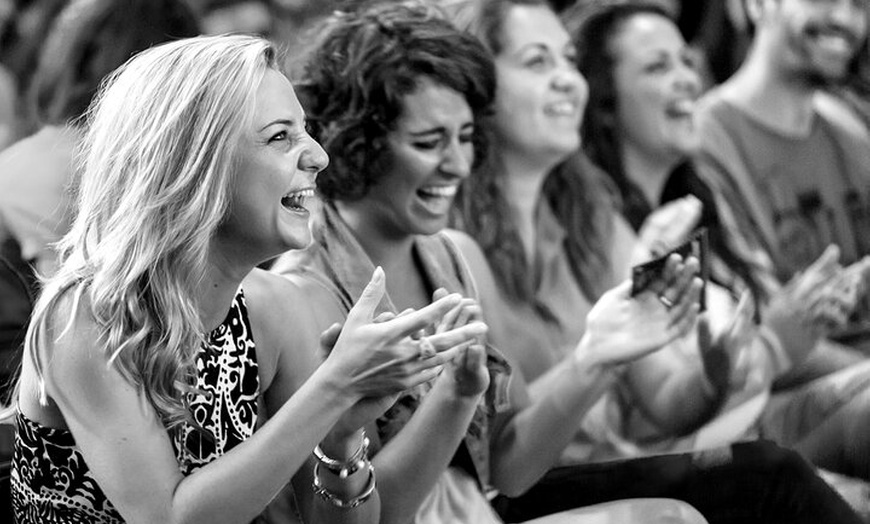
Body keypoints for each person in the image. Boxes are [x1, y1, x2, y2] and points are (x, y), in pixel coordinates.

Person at [3, 33, 488, 524]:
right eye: (281, 136)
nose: (318, 155)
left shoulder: (276, 308)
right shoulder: (84, 316)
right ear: (192, 165)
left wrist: (347, 435)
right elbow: (170, 519)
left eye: (306, 131)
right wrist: (334, 387)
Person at [270, 3, 711, 524]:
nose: (457, 165)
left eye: (465, 137)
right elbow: (368, 516)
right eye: (429, 143)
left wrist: (596, 359)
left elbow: (510, 466)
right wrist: (453, 400)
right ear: (354, 143)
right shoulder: (304, 292)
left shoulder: (455, 255)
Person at [441, 0, 867, 522]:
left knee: (774, 470)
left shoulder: (591, 220)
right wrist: (596, 358)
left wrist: (715, 370)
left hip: (627, 470)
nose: (567, 80)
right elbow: (505, 463)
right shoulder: (455, 246)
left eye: (569, 60)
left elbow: (666, 399)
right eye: (537, 62)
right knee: (769, 474)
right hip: (530, 494)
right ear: (478, 87)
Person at [573, 0, 870, 486]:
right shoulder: (606, 231)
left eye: (686, 62)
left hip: (752, 423)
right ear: (602, 101)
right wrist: (774, 341)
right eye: (658, 66)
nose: (688, 79)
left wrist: (791, 325)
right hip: (709, 451)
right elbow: (667, 408)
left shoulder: (691, 202)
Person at [694, 0, 870, 286]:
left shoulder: (853, 127)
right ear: (758, 5)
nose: (844, 18)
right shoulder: (706, 141)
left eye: (860, 5)